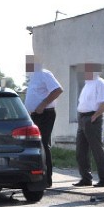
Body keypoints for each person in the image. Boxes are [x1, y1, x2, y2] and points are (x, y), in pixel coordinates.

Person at [24, 55, 63, 188]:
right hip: (34, 115)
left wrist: (43, 104)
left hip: (45, 114)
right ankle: (38, 177)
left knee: (43, 144)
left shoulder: (44, 74)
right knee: (35, 145)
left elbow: (58, 90)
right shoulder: (33, 77)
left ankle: (47, 179)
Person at [73, 64, 104, 187]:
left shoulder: (100, 83)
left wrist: (95, 116)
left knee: (97, 149)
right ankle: (86, 178)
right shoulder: (87, 84)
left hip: (92, 118)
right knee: (81, 151)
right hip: (82, 118)